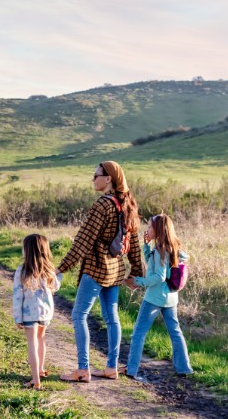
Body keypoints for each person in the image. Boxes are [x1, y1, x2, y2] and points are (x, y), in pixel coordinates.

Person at [57, 162, 144, 382]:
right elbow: (133, 243)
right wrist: (137, 272)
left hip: (96, 269)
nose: (93, 179)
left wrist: (61, 268)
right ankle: (111, 368)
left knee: (78, 315)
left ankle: (83, 369)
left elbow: (83, 241)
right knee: (112, 319)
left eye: (96, 175)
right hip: (116, 271)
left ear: (108, 179)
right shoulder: (129, 204)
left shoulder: (102, 205)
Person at [124, 214, 193, 381]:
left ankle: (131, 369)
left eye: (149, 227)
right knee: (175, 332)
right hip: (170, 298)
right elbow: (154, 266)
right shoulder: (173, 249)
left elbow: (158, 276)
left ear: (159, 230)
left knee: (138, 333)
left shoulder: (160, 251)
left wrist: (138, 281)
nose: (147, 230)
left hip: (154, 298)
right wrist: (146, 247)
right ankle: (184, 368)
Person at [13, 234, 62, 390]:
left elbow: (17, 295)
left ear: (27, 251)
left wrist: (17, 317)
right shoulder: (49, 270)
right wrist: (59, 275)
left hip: (29, 313)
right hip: (46, 312)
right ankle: (40, 369)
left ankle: (35, 380)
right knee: (41, 339)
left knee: (32, 343)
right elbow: (55, 287)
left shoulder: (22, 271)